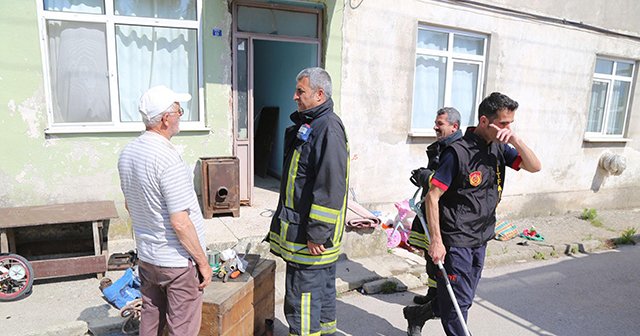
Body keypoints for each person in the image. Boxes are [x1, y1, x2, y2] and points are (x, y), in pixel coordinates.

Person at [404, 92, 541, 336]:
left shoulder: (499, 147)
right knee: (459, 304)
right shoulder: (457, 152)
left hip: (482, 236)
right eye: (503, 123)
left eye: (511, 123)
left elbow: (534, 166)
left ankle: (417, 314)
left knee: (460, 297)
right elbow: (432, 197)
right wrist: (436, 241)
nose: (507, 128)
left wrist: (516, 141)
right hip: (456, 239)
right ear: (485, 121)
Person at [118, 85, 212, 336]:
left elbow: (131, 205)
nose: (181, 114)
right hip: (176, 263)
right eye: (178, 110)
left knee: (151, 319)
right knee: (181, 328)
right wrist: (203, 262)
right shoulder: (167, 158)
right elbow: (180, 222)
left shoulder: (128, 153)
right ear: (164, 118)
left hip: (148, 258)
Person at [267, 67, 349, 336]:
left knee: (302, 300)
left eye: (300, 91)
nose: (294, 96)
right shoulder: (312, 124)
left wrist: (317, 233)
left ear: (319, 94)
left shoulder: (328, 128)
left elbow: (330, 187)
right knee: (321, 297)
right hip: (307, 234)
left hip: (310, 238)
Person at [407, 107, 463, 306]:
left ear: (454, 126)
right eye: (435, 123)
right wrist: (424, 175)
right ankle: (432, 295)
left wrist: (426, 177)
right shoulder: (441, 147)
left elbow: (447, 184)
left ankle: (439, 302)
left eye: (440, 124)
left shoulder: (456, 151)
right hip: (431, 211)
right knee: (431, 258)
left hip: (444, 215)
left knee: (439, 260)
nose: (435, 127)